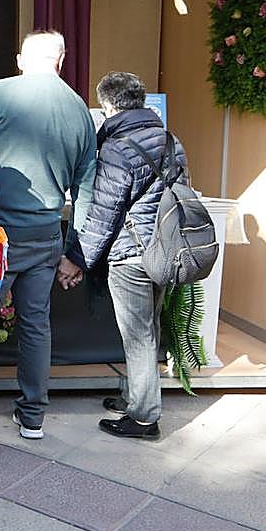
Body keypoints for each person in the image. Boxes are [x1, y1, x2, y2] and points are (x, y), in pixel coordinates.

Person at [0, 31, 97, 441]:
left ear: (20, 59)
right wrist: (75, 253)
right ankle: (32, 415)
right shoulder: (79, 109)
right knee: (37, 325)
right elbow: (87, 190)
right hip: (48, 232)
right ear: (62, 60)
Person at [78, 72, 189, 440]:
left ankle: (143, 417)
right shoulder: (171, 140)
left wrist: (79, 260)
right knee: (149, 329)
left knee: (139, 335)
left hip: (131, 256)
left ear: (107, 106)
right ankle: (134, 396)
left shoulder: (116, 147)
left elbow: (104, 212)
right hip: (165, 251)